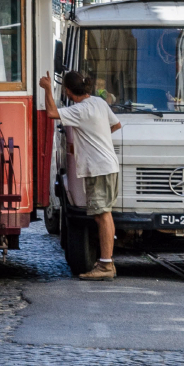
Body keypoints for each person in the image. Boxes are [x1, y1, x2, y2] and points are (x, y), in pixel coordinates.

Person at [40, 69, 121, 281]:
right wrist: (97, 137)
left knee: (102, 215)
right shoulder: (99, 103)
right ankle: (106, 262)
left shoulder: (80, 110)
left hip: (98, 167)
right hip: (109, 165)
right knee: (104, 213)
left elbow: (51, 112)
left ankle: (106, 265)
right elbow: (116, 124)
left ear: (67, 90)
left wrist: (48, 89)